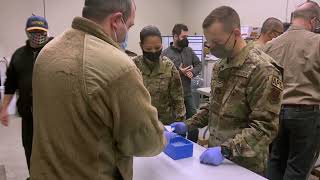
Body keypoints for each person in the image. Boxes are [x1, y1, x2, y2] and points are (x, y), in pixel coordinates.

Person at [30, 0, 173, 179]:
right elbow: (145, 141)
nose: (126, 33)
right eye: (128, 26)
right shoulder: (119, 66)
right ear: (116, 21)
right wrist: (163, 137)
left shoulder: (47, 52)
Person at [171, 6, 283, 176]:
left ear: (236, 33)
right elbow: (213, 107)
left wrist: (225, 151)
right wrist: (187, 124)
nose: (212, 48)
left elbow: (265, 127)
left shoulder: (262, 69)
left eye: (217, 42)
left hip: (245, 164)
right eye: (210, 43)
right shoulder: (221, 66)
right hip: (215, 157)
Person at [264, 1, 320, 179]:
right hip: (307, 113)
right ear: (313, 20)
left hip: (275, 112)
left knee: (275, 161)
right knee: (297, 168)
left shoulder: (271, 45)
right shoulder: (317, 42)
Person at [0, 15, 52, 179]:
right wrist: (4, 109)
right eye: (33, 31)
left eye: (41, 31)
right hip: (28, 116)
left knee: (52, 150)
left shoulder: (55, 51)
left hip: (52, 117)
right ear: (26, 32)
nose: (37, 34)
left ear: (46, 32)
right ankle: (34, 176)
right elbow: (10, 85)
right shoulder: (19, 56)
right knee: (29, 149)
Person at [133, 26, 186, 125]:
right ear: (141, 46)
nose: (153, 51)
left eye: (157, 48)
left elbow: (178, 98)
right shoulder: (133, 66)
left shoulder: (168, 66)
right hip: (140, 123)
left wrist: (181, 121)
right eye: (148, 48)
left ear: (162, 45)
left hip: (164, 123)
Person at [162, 24, 202, 142]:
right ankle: (179, 146)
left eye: (187, 36)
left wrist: (193, 72)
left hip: (187, 94)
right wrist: (178, 72)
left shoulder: (189, 51)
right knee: (177, 126)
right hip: (173, 98)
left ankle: (194, 147)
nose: (186, 39)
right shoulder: (165, 54)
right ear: (175, 36)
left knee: (193, 124)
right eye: (183, 36)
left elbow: (198, 64)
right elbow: (163, 77)